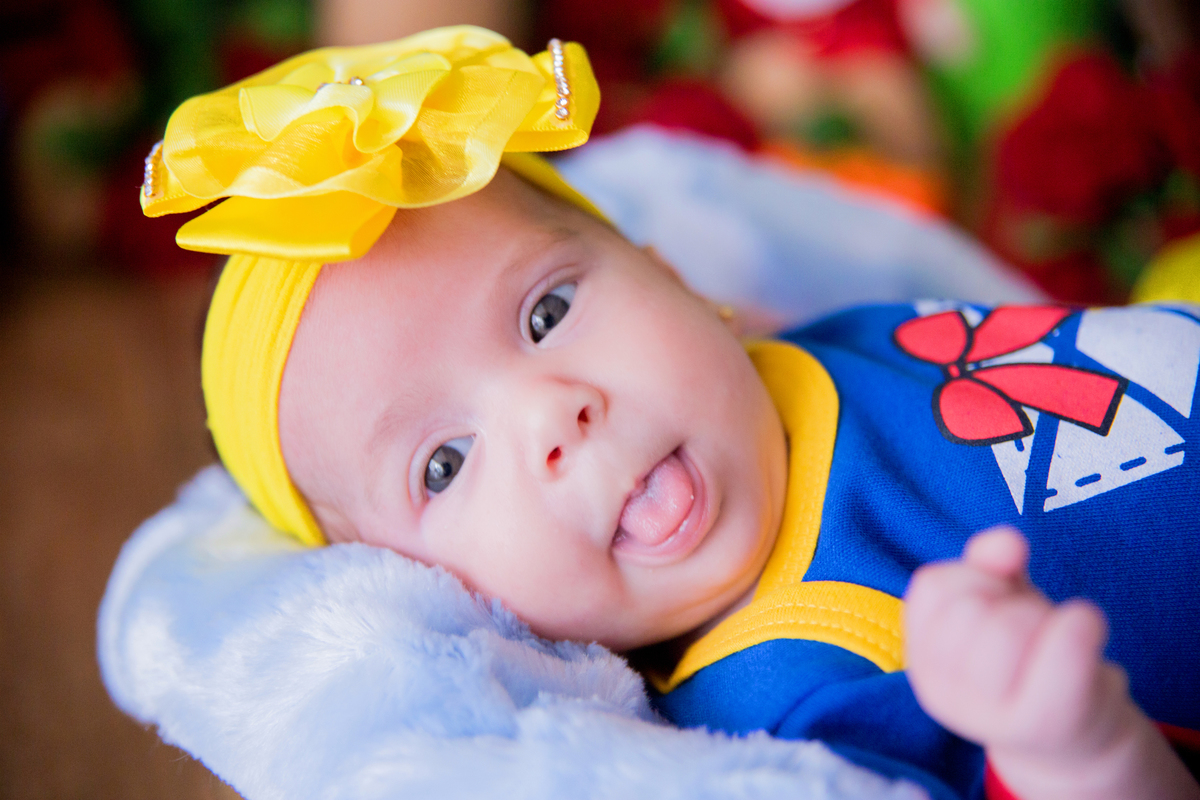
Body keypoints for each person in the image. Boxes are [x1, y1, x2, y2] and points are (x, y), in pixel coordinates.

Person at [142, 26, 1200, 800]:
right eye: (444, 463)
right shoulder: (792, 696)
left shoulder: (778, 349)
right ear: (431, 587)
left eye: (549, 309)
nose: (556, 414)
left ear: (671, 275)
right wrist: (1074, 748)